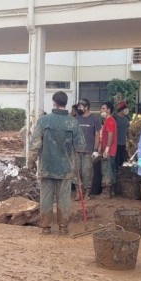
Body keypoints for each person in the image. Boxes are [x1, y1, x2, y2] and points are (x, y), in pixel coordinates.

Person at [27, 91, 85, 235]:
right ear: (66, 103)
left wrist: (31, 162)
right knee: (64, 199)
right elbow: (80, 146)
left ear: (54, 102)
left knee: (45, 197)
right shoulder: (73, 122)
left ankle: (46, 227)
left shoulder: (43, 121)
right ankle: (63, 227)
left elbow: (34, 144)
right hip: (65, 169)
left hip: (46, 167)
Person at [74, 99, 99, 199]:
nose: (79, 108)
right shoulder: (76, 119)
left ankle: (87, 194)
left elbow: (97, 134)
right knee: (76, 172)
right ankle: (78, 193)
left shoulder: (94, 119)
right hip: (77, 150)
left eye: (80, 106)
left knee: (87, 172)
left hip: (88, 151)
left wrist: (96, 149)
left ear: (87, 107)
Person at [98, 101, 118, 198]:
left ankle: (106, 193)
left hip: (109, 151)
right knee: (111, 170)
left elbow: (110, 135)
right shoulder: (110, 120)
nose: (101, 110)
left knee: (106, 170)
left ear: (108, 110)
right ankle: (112, 192)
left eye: (103, 108)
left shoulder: (109, 120)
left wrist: (106, 149)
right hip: (111, 150)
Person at [114, 102, 130, 169]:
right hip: (116, 143)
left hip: (123, 143)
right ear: (121, 109)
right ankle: (116, 170)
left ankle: (119, 168)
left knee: (121, 159)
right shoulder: (115, 118)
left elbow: (127, 130)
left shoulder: (126, 119)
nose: (127, 110)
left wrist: (129, 139)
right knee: (116, 159)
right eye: (125, 108)